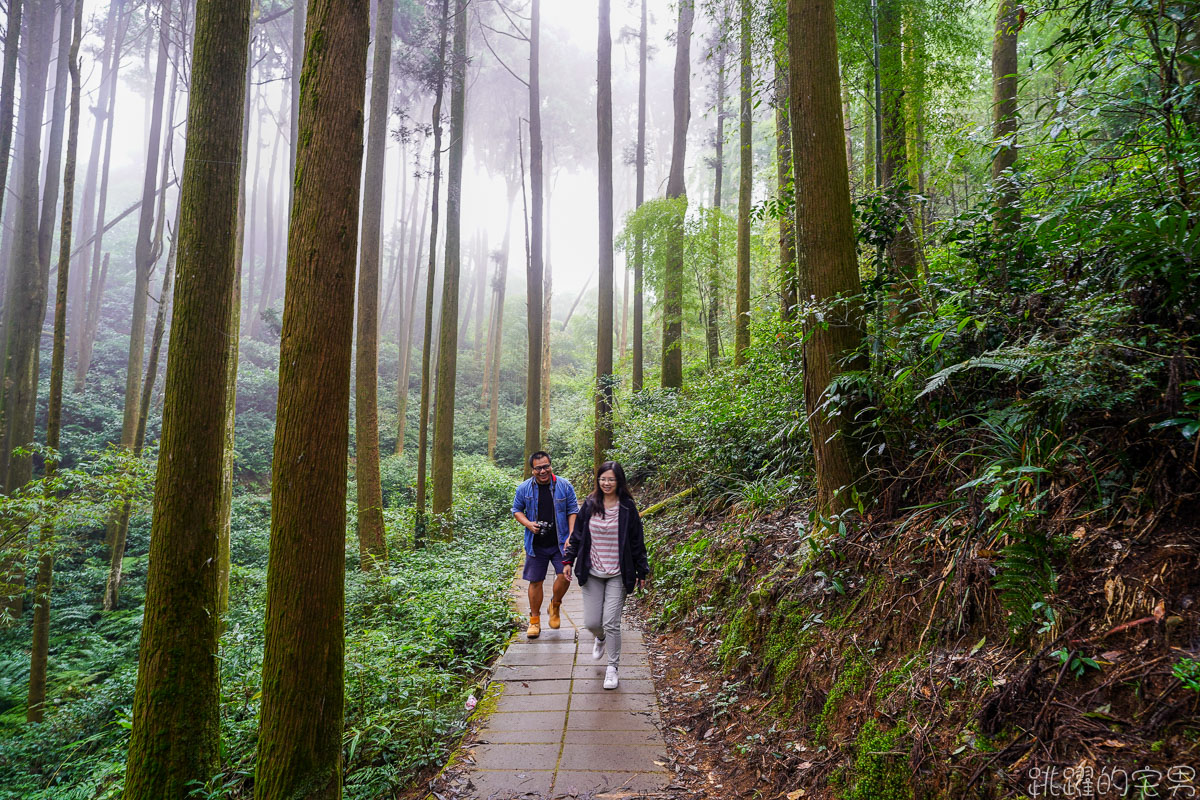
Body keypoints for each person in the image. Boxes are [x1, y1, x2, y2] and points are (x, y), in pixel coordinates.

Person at [562, 461, 649, 689]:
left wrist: (642, 570)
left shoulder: (628, 507)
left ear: (619, 481)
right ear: (598, 480)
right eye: (603, 479)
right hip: (592, 571)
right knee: (592, 623)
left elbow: (636, 541)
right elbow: (577, 536)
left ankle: (613, 668)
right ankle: (599, 638)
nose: (606, 483)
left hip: (618, 573)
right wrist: (568, 560)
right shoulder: (590, 504)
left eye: (611, 479)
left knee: (611, 622)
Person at [512, 451, 579, 638]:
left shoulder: (564, 486)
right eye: (538, 468)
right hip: (536, 543)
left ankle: (555, 605)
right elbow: (517, 510)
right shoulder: (524, 489)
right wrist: (528, 524)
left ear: (550, 465)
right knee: (535, 581)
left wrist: (571, 535)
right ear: (532, 470)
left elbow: (573, 510)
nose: (543, 471)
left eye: (546, 466)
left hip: (560, 541)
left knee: (564, 576)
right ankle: (534, 621)